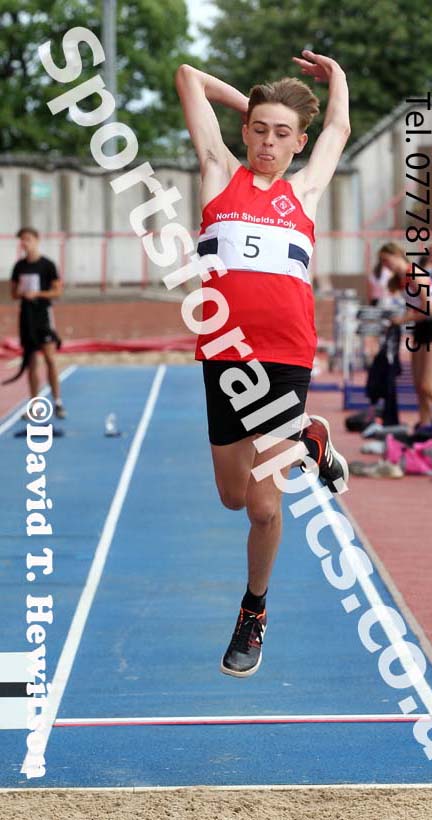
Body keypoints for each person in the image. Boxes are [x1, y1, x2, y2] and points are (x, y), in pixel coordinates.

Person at [175, 50, 350, 677]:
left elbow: (337, 130)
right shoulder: (218, 172)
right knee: (231, 496)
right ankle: (310, 437)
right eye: (260, 129)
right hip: (224, 357)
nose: (269, 143)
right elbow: (189, 79)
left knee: (264, 507)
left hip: (285, 359)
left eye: (282, 134)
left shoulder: (303, 189)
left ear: (297, 144)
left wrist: (340, 83)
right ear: (246, 130)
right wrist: (247, 103)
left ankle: (253, 609)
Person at [382, 242, 432, 429]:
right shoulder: (401, 279)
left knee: (428, 384)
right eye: (382, 262)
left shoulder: (414, 272)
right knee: (419, 386)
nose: (385, 265)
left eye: (386, 259)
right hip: (420, 328)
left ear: (396, 254)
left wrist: (403, 319)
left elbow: (430, 308)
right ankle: (426, 425)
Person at [7, 227, 65, 418]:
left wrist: (38, 293)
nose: (24, 243)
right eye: (22, 240)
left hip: (43, 315)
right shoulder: (19, 267)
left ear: (36, 240)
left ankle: (57, 402)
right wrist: (23, 293)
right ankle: (35, 405)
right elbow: (13, 293)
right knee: (31, 362)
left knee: (49, 359)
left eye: (27, 239)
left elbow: (57, 291)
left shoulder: (47, 265)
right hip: (27, 317)